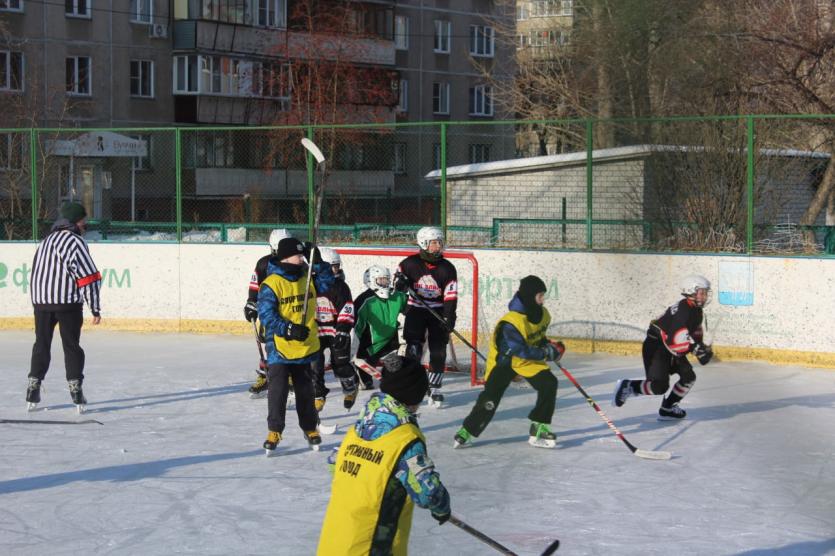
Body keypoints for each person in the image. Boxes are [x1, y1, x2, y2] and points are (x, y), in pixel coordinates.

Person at [317, 352, 451, 556]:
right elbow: (428, 493)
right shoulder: (405, 439)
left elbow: (334, 463)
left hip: (334, 542)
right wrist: (441, 508)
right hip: (369, 547)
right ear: (413, 396)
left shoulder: (359, 428)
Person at [454, 276, 565, 449]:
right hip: (504, 363)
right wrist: (545, 353)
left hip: (526, 362)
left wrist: (550, 346)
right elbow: (518, 349)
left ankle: (539, 427)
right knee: (490, 400)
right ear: (529, 296)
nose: (543, 299)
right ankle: (467, 430)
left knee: (549, 383)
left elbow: (537, 337)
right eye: (540, 295)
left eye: (543, 295)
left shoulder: (543, 314)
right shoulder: (511, 322)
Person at [26, 202, 102, 412]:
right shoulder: (75, 242)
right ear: (75, 222)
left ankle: (33, 385)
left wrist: (37, 300)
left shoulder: (46, 241)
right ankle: (76, 389)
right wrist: (95, 307)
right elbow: (89, 277)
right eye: (83, 220)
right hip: (67, 302)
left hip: (41, 301)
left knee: (41, 344)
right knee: (71, 346)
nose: (85, 224)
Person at [612, 274, 714, 420]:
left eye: (705, 292)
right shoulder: (683, 311)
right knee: (659, 387)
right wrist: (695, 349)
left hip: (668, 346)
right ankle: (629, 386)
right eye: (701, 292)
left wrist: (701, 347)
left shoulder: (696, 310)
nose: (704, 296)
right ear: (690, 291)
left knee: (688, 377)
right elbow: (675, 341)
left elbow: (692, 333)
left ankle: (668, 408)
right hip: (657, 347)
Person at [257, 237, 322, 454]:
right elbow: (266, 316)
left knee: (305, 389)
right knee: (278, 389)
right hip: (280, 347)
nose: (302, 259)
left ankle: (310, 428)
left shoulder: (308, 276)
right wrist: (289, 329)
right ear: (286, 257)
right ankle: (274, 430)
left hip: (304, 346)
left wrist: (318, 260)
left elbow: (330, 284)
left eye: (304, 255)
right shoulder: (271, 284)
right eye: (298, 255)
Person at [394, 226, 458, 407]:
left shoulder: (447, 268)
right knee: (413, 350)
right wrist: (401, 283)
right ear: (423, 243)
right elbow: (396, 287)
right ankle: (411, 384)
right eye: (434, 243)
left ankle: (435, 388)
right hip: (416, 310)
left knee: (438, 351)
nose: (438, 246)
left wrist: (449, 317)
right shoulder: (409, 264)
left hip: (437, 312)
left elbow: (450, 295)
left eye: (440, 242)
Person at [309, 247, 357, 411]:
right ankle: (318, 394)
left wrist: (343, 329)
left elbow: (347, 308)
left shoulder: (341, 287)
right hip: (316, 331)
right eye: (332, 266)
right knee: (315, 365)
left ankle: (350, 387)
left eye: (337, 266)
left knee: (340, 364)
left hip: (336, 330)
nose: (335, 269)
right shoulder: (310, 284)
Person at [244, 228, 291, 398]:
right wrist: (251, 302)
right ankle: (265, 376)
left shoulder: (298, 263)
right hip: (269, 311)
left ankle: (292, 377)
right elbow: (255, 286)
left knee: (290, 341)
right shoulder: (264, 264)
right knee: (270, 343)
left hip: (291, 310)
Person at [353, 265, 409, 389]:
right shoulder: (364, 301)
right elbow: (356, 328)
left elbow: (411, 307)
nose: (385, 283)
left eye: (387, 279)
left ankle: (396, 374)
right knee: (364, 385)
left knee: (396, 369)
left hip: (390, 344)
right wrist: (352, 350)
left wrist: (406, 289)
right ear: (371, 280)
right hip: (369, 348)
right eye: (381, 280)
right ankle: (359, 371)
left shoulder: (397, 296)